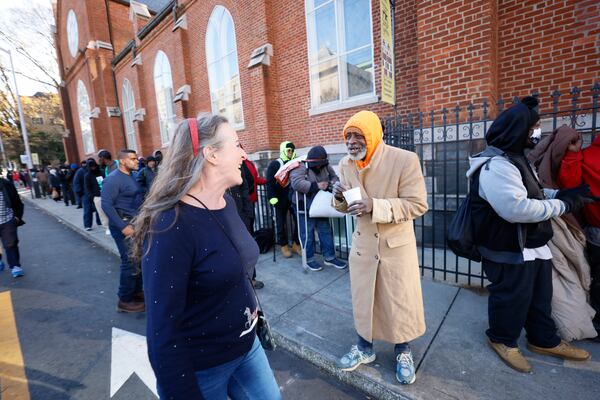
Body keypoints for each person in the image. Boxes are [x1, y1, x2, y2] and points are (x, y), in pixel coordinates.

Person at [130, 114, 281, 399]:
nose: (244, 153)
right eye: (236, 145)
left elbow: (233, 266)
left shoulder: (227, 201)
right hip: (203, 366)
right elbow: (163, 329)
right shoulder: (170, 225)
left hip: (248, 348)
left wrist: (247, 303)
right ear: (211, 154)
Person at [466, 96, 593, 373]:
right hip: (508, 247)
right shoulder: (495, 166)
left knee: (540, 296)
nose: (538, 133)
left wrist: (562, 194)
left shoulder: (516, 160)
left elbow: (532, 192)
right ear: (517, 130)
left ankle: (542, 339)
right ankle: (502, 340)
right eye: (533, 127)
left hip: (531, 244)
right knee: (511, 297)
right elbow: (516, 207)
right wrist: (563, 205)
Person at [332, 110, 429, 385]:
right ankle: (364, 348)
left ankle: (403, 351)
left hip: (395, 248)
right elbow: (343, 206)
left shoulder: (404, 160)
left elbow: (418, 204)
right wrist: (338, 197)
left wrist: (376, 205)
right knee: (364, 301)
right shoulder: (345, 164)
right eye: (348, 135)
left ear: (373, 135)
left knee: (399, 302)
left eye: (358, 135)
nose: (351, 141)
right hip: (363, 247)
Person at [557, 131, 600, 335]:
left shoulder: (587, 155)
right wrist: (573, 155)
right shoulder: (587, 155)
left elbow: (570, 187)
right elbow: (570, 188)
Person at [290, 145, 347, 271]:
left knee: (325, 231)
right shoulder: (300, 166)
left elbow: (333, 176)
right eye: (317, 164)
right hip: (303, 206)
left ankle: (330, 257)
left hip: (320, 204)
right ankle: (309, 259)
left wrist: (334, 182)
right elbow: (296, 183)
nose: (319, 167)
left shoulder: (325, 165)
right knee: (307, 234)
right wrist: (317, 185)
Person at [101, 149, 144, 313]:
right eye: (133, 159)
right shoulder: (112, 180)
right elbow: (106, 205)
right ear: (123, 161)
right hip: (123, 226)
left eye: (136, 158)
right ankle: (124, 300)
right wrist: (123, 226)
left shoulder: (132, 176)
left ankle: (136, 292)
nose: (137, 161)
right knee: (129, 261)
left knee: (138, 259)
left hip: (136, 224)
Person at [266, 141, 301, 258]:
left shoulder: (295, 163)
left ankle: (296, 244)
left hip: (293, 198)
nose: (290, 152)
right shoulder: (275, 164)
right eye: (288, 150)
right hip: (279, 200)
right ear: (284, 151)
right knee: (281, 224)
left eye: (292, 150)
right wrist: (272, 197)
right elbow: (269, 182)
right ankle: (284, 245)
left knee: (298, 221)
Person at [0, 175, 25, 278]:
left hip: (7, 220)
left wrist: (17, 217)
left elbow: (17, 202)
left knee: (11, 244)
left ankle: (15, 266)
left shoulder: (6, 184)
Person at [83, 159, 103, 230]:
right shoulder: (87, 175)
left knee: (99, 209)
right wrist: (92, 197)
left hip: (100, 194)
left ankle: (99, 221)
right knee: (88, 210)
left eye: (94, 166)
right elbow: (87, 187)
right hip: (89, 195)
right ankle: (87, 225)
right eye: (91, 167)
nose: (93, 168)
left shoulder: (100, 172)